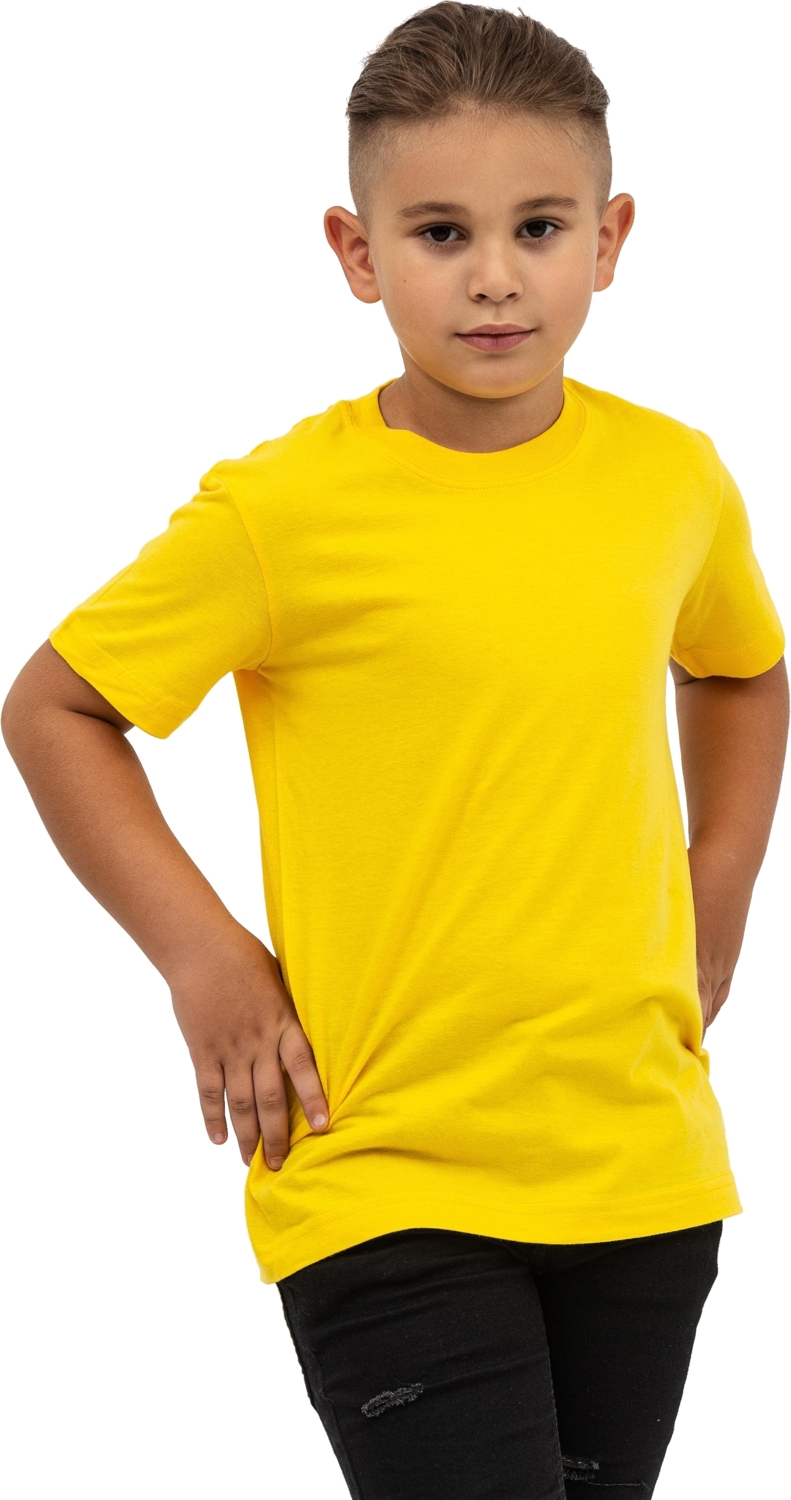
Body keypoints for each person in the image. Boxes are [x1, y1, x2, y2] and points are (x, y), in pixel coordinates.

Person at [2, 3, 788, 1496]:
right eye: (440, 233)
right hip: (380, 1171)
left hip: (643, 1168)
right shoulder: (280, 514)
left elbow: (742, 669)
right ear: (357, 254)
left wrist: (726, 872)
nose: (495, 275)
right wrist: (206, 962)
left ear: (610, 237)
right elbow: (55, 709)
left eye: (539, 226)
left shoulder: (672, 481)